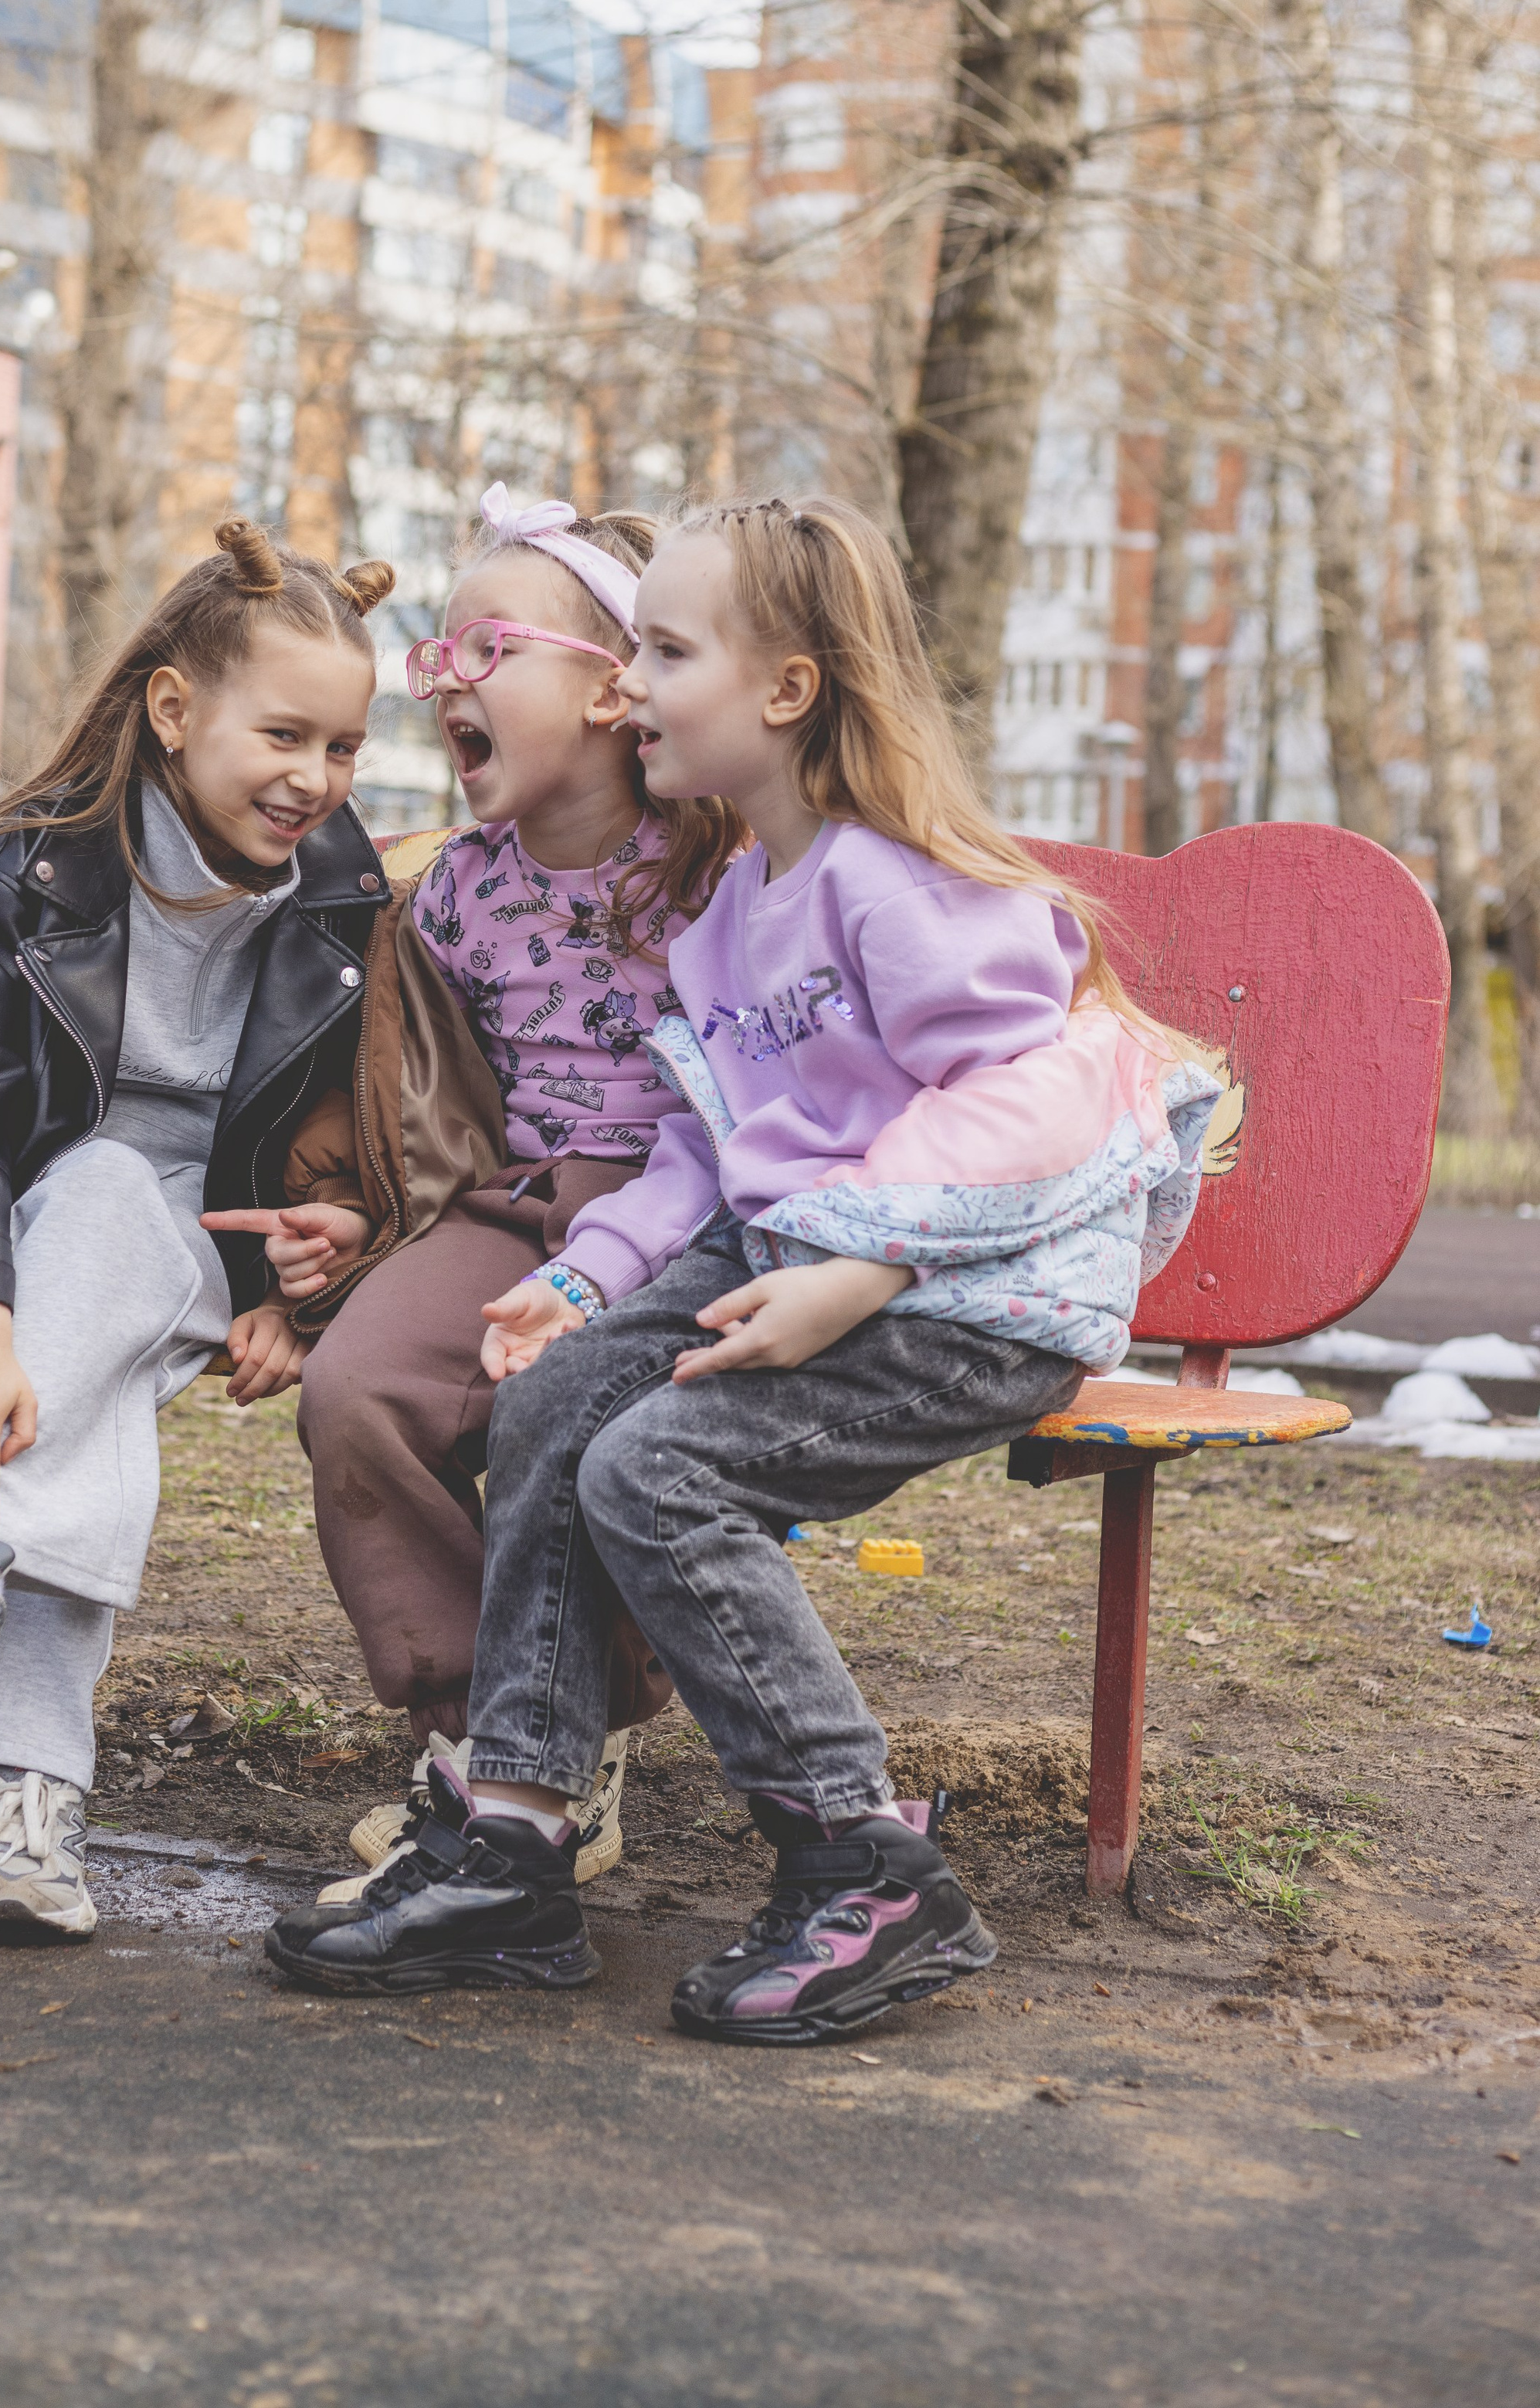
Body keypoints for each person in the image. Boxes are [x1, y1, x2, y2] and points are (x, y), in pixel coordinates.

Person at [264, 495, 1221, 2040]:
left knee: (653, 1472)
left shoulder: (895, 880)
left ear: (785, 689)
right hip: (812, 1262)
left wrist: (855, 1262)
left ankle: (864, 1860)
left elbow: (1031, 1098)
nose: (632, 685)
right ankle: (511, 1836)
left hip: (977, 1300)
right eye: (628, 647)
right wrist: (585, 1275)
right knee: (555, 1398)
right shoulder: (729, 922)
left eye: (664, 650)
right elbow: (709, 1156)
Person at [0, 518, 398, 1945]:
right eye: (287, 734)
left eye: (349, 747)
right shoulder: (27, 874)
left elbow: (376, 1125)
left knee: (120, 1206)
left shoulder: (352, 902)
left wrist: (323, 1272)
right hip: (39, 1238)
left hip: (216, 1241)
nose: (317, 778)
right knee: (85, 1374)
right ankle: (25, 1820)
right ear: (176, 713)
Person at [215, 488, 741, 1900]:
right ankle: (477, 1743)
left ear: (616, 685)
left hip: (692, 1218)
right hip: (515, 1207)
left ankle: (567, 1744)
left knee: (580, 1419)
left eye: (485, 648)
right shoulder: (450, 896)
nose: (444, 679)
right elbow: (421, 1108)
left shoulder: (718, 866)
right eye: (436, 659)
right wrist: (366, 1231)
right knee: (365, 1390)